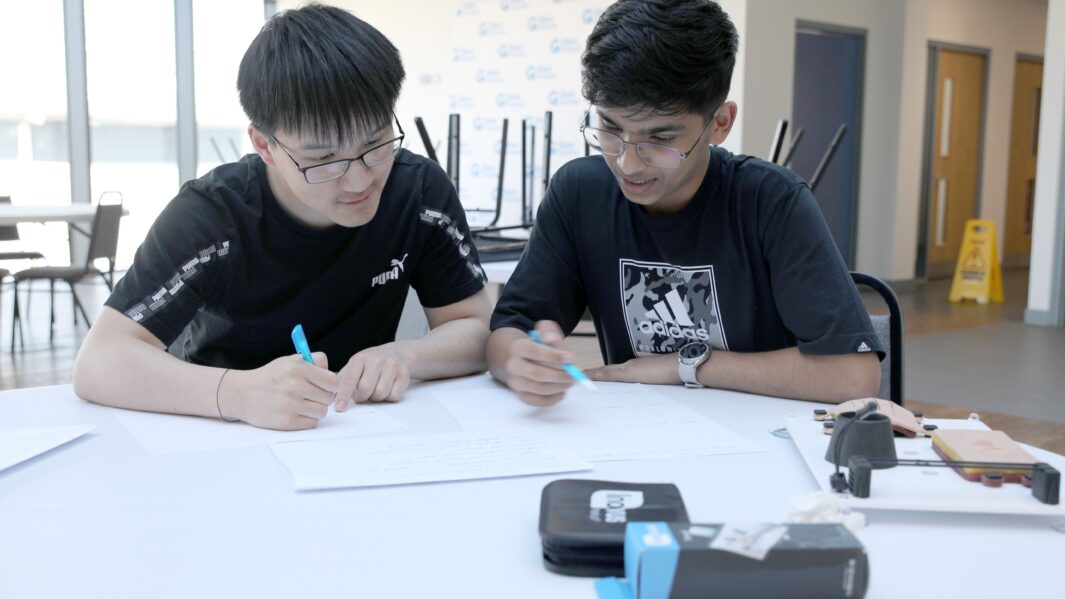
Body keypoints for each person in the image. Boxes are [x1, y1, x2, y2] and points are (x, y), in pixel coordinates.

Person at [73, 4, 491, 430]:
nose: (359, 181)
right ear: (264, 145)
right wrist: (239, 394)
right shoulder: (212, 215)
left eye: (376, 143)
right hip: (217, 430)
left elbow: (475, 327)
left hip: (356, 431)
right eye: (324, 159)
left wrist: (405, 355)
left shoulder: (417, 193)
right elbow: (100, 360)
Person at [487, 0, 882, 407]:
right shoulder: (579, 193)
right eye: (610, 128)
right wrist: (519, 358)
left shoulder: (770, 202)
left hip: (759, 442)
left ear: (720, 123)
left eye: (659, 140)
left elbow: (853, 375)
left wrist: (685, 366)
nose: (628, 163)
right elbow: (509, 331)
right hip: (636, 434)